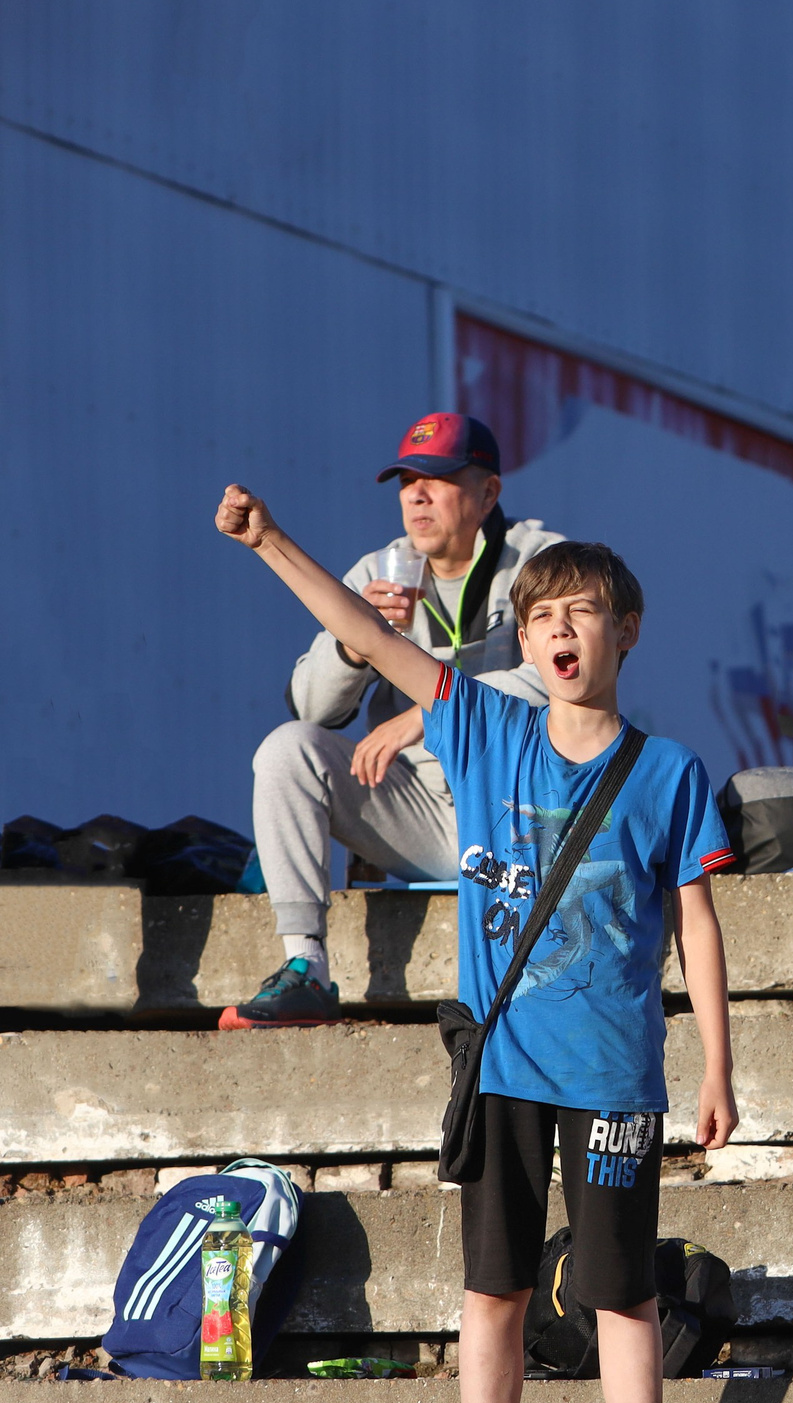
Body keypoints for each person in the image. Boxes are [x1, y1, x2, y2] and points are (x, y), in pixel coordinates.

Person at [213, 484, 739, 1403]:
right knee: (493, 1288)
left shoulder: (669, 773)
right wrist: (271, 544)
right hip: (501, 1065)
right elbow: (365, 636)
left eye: (582, 612)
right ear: (525, 640)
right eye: (542, 615)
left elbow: (696, 920)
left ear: (626, 630)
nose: (560, 630)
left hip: (616, 1075)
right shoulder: (485, 728)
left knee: (622, 1292)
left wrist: (718, 1068)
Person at [224, 412, 563, 1028]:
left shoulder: (541, 561)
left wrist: (428, 714)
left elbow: (565, 677)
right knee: (287, 749)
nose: (417, 495)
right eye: (407, 481)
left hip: (516, 813)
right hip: (422, 815)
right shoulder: (378, 572)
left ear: (489, 492)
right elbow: (311, 707)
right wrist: (354, 646)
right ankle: (306, 965)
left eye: (438, 478)